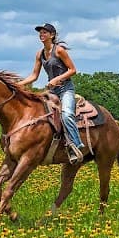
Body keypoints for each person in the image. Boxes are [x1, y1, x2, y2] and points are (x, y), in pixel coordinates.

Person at [19, 23, 85, 164]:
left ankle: (76, 145)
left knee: (66, 115)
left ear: (52, 35)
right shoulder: (39, 54)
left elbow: (73, 70)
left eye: (44, 32)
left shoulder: (59, 50)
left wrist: (56, 79)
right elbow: (34, 76)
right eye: (40, 32)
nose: (41, 35)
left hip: (65, 89)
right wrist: (18, 84)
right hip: (52, 91)